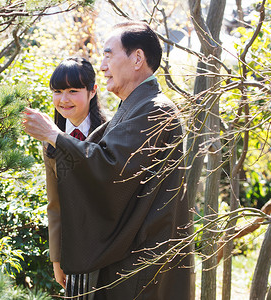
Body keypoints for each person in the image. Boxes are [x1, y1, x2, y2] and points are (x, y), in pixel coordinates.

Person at [23, 21, 191, 299]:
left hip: (140, 260)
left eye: (108, 55)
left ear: (137, 58)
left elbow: (112, 170)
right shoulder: (136, 107)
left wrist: (56, 136)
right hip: (129, 258)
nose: (102, 66)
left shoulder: (155, 110)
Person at [43, 57, 107, 297]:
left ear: (92, 91)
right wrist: (57, 258)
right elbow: (55, 204)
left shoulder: (110, 133)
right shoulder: (50, 141)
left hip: (107, 246)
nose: (63, 99)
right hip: (72, 249)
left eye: (73, 90)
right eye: (57, 91)